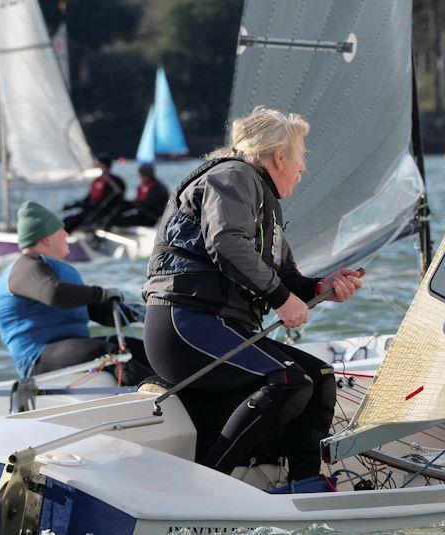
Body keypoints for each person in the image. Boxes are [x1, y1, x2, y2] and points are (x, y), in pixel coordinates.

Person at [142, 106, 363, 481]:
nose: (303, 168)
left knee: (320, 376)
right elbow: (226, 243)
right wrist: (280, 298)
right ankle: (209, 483)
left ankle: (305, 485)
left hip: (219, 326)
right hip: (184, 325)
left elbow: (287, 278)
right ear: (279, 157)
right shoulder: (235, 176)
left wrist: (322, 288)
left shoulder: (262, 202)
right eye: (301, 157)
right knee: (287, 380)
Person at [0, 201, 153, 385]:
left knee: (140, 349)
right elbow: (54, 294)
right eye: (61, 230)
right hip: (37, 358)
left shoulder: (56, 271)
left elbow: (96, 310)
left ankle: (182, 393)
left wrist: (136, 312)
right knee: (112, 354)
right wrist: (100, 293)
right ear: (47, 238)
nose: (67, 234)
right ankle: (158, 402)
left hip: (73, 349)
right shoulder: (24, 268)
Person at [63, 153, 126, 231]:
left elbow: (115, 200)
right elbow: (88, 199)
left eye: (98, 164)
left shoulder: (115, 182)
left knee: (74, 222)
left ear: (104, 166)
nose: (95, 166)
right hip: (90, 210)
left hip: (102, 213)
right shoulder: (97, 181)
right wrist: (73, 205)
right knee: (66, 221)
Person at [109, 163, 169, 227]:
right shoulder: (147, 185)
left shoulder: (157, 188)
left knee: (116, 219)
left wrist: (133, 204)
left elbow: (148, 204)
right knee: (118, 208)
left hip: (150, 217)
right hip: (142, 214)